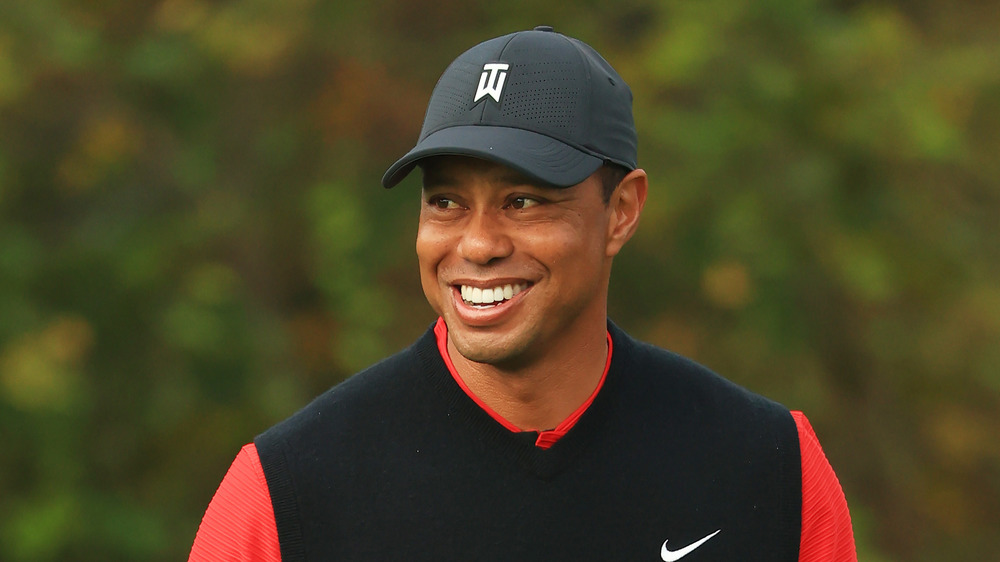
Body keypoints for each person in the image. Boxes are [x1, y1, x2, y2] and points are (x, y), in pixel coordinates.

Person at [189, 26, 856, 561]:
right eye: (446, 201)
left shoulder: (770, 469)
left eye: (524, 200)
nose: (477, 245)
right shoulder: (287, 493)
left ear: (621, 210)